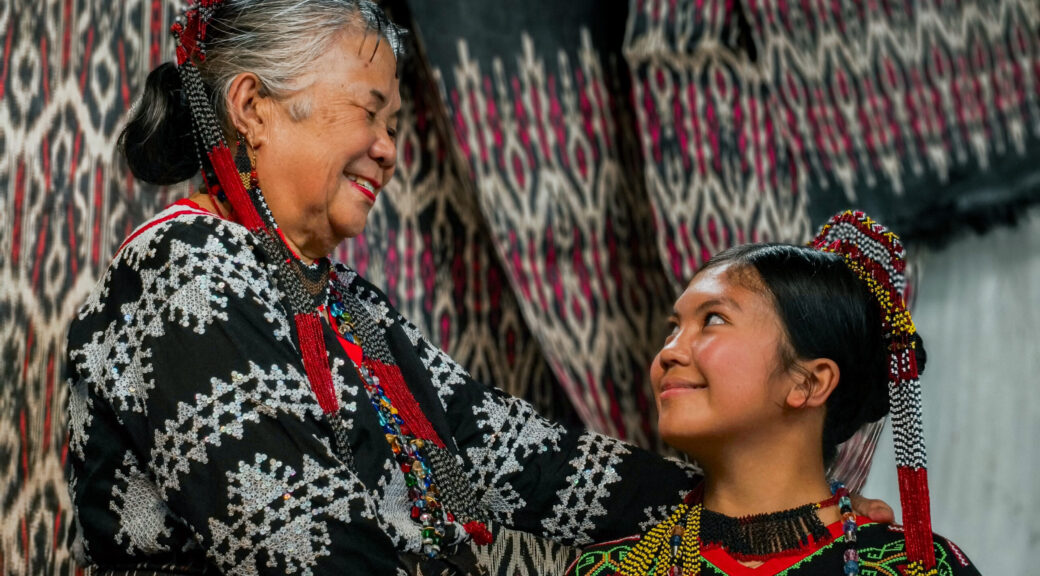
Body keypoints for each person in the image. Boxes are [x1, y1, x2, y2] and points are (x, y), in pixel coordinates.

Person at [64, 1, 891, 574]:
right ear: (253, 106)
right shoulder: (182, 267)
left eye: (396, 125)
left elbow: (513, 455)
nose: (389, 149)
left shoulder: (346, 305)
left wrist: (765, 512)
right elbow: (299, 541)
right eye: (368, 112)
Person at [567, 211, 982, 576]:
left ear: (808, 382)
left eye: (713, 319)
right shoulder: (612, 569)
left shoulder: (920, 568)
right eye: (673, 328)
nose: (668, 352)